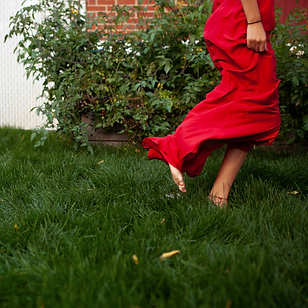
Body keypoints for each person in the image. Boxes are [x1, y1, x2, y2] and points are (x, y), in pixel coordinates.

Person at [142, 0, 281, 208]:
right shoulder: (249, 21)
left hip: (233, 20)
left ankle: (218, 196)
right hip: (241, 22)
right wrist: (254, 21)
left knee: (249, 109)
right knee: (260, 105)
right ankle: (175, 146)